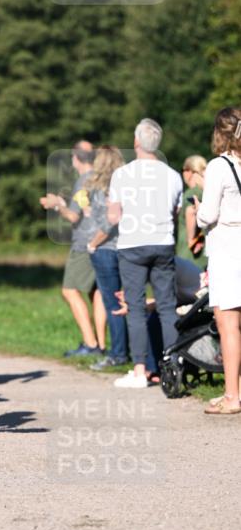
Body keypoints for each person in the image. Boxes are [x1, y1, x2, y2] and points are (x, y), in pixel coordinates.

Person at [107, 118, 182, 389]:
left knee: (136, 308)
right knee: (166, 307)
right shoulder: (173, 176)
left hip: (132, 244)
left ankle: (139, 370)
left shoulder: (121, 175)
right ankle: (173, 365)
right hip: (162, 243)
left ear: (137, 142)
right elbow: (175, 213)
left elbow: (114, 217)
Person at [40, 140, 106, 358]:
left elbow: (74, 216)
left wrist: (57, 205)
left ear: (75, 158)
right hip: (103, 241)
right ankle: (101, 344)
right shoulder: (100, 179)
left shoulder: (83, 180)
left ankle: (90, 343)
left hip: (84, 243)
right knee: (97, 292)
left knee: (69, 290)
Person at [195, 106, 241, 415]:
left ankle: (231, 397)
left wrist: (198, 209)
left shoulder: (218, 166)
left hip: (228, 248)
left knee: (228, 324)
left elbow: (208, 215)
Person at [84, 145, 129, 370]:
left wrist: (93, 244)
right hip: (127, 248)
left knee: (113, 303)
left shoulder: (102, 189)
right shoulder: (126, 186)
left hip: (106, 249)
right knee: (128, 301)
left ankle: (118, 353)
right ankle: (134, 352)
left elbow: (109, 221)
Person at [179, 155, 207, 269]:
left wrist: (191, 240)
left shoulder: (192, 193)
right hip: (205, 251)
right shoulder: (206, 192)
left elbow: (190, 211)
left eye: (183, 170)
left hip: (189, 253)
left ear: (190, 171)